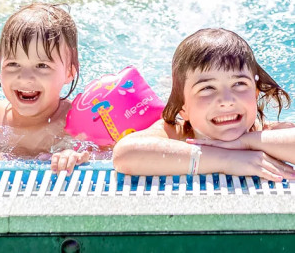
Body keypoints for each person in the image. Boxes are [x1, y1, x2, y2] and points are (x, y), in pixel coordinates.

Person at [113, 28, 295, 180]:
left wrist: (246, 142)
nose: (226, 100)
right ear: (183, 108)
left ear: (255, 94)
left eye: (239, 84)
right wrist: (227, 160)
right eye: (207, 88)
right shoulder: (174, 133)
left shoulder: (261, 131)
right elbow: (124, 154)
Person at [0, 3, 90, 175]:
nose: (25, 77)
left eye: (42, 65)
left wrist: (76, 156)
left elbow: (107, 156)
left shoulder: (78, 123)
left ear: (69, 72)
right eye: (13, 64)